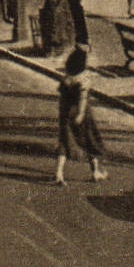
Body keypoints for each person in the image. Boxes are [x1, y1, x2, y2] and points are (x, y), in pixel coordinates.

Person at [53, 48, 106, 185]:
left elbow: (62, 96)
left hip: (65, 113)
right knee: (90, 140)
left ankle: (59, 173)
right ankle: (95, 172)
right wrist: (81, 114)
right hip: (81, 113)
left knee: (64, 142)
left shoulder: (66, 78)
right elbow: (82, 99)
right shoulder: (84, 81)